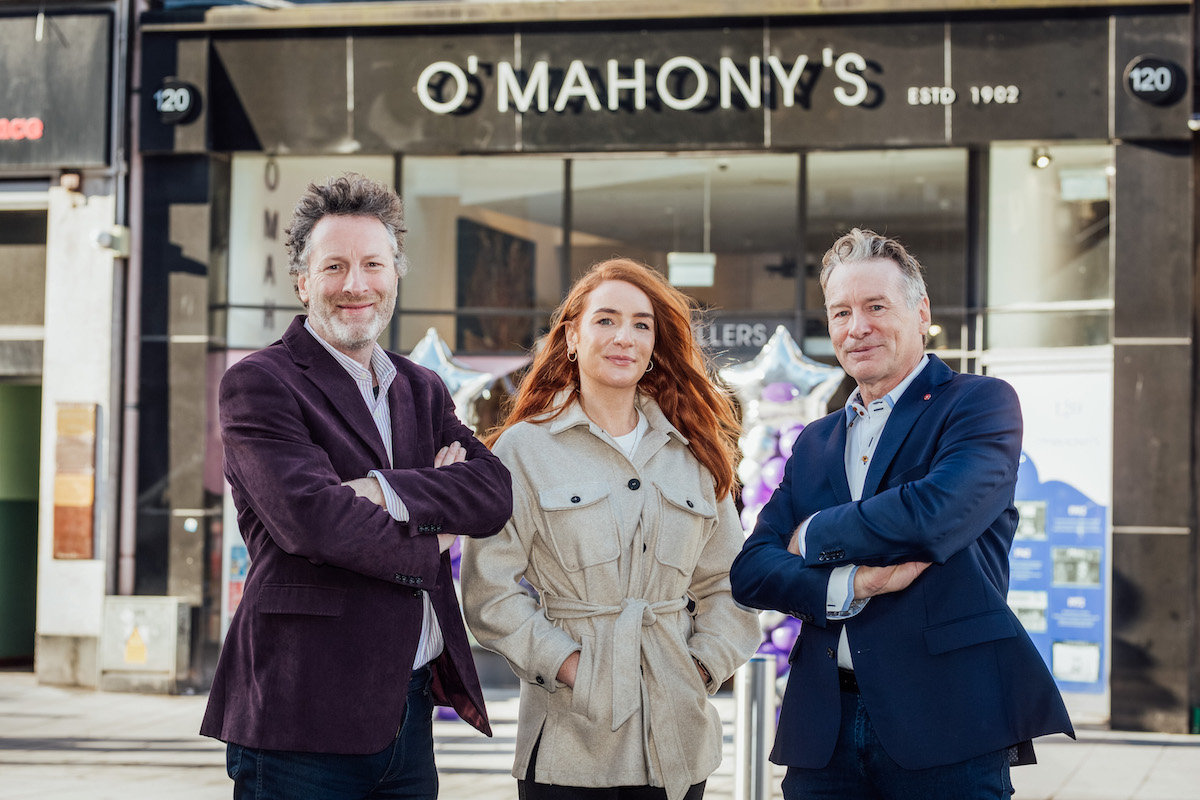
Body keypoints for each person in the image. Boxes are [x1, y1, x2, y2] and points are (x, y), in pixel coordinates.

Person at [729, 229, 1074, 799]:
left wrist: (812, 532)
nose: (856, 327)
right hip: (824, 734)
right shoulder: (814, 440)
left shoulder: (979, 403)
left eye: (875, 307)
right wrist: (851, 582)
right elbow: (752, 571)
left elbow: (935, 515)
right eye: (841, 312)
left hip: (947, 726)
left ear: (921, 313)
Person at [200, 173, 513, 799]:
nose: (355, 284)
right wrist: (435, 519)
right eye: (334, 266)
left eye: (373, 264)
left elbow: (492, 492)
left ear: (395, 275)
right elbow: (313, 521)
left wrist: (375, 489)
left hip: (411, 706)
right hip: (301, 716)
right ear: (302, 281)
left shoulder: (420, 387)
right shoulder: (261, 383)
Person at [460, 258, 762, 800]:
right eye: (606, 320)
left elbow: (728, 583)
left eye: (641, 324)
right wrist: (574, 667)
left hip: (677, 742)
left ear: (654, 347)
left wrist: (699, 667)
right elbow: (491, 593)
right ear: (572, 335)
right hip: (569, 746)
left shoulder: (692, 452)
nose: (624, 337)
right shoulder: (523, 450)